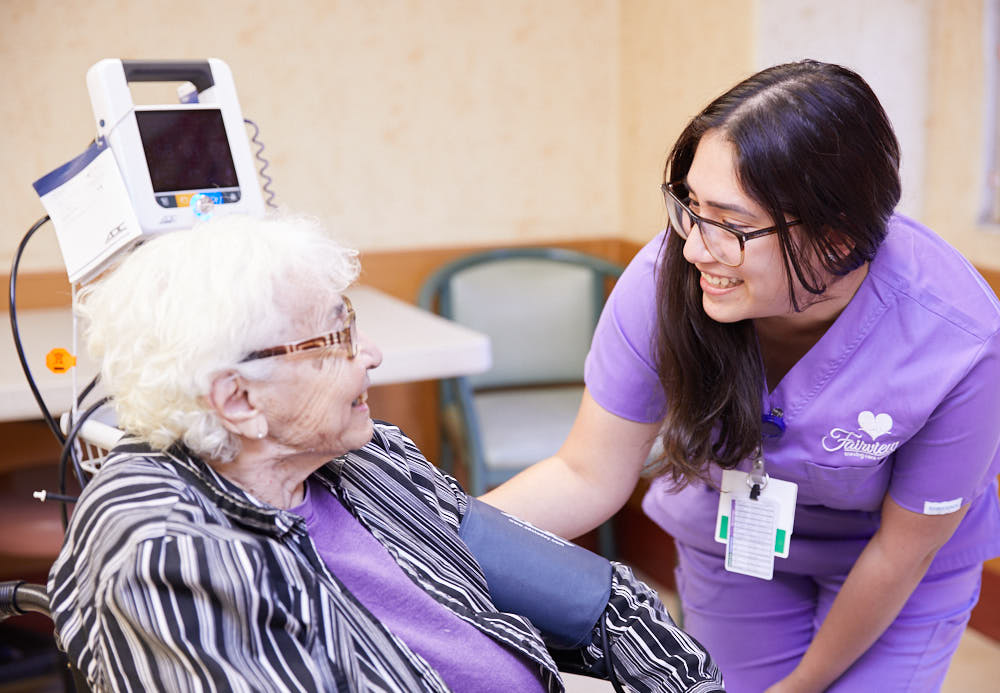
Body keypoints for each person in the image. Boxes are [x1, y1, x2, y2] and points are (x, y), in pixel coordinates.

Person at [482, 59, 1000, 692]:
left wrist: (802, 685)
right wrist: (425, 540)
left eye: (730, 224)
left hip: (897, 565)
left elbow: (902, 551)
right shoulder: (661, 281)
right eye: (692, 208)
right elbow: (584, 474)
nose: (697, 247)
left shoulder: (959, 337)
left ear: (836, 241)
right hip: (739, 544)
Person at [47, 214, 724, 692]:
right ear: (239, 400)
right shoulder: (170, 551)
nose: (370, 354)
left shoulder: (363, 463)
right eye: (336, 337)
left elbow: (600, 601)